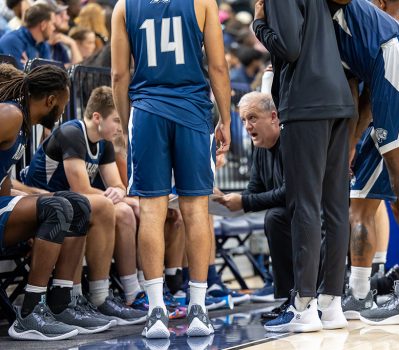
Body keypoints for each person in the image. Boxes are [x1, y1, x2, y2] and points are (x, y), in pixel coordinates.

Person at [111, 0, 231, 338]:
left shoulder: (124, 6)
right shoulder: (204, 2)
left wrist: (125, 122)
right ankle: (197, 309)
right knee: (196, 211)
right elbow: (219, 67)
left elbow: (119, 75)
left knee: (151, 212)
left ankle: (156, 312)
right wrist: (225, 118)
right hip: (192, 110)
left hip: (147, 112)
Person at [330, 0, 399, 325]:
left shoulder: (354, 19)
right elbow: (363, 96)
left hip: (398, 55)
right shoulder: (365, 32)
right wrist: (352, 139)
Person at [253, 0, 355, 333]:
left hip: (306, 103)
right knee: (337, 207)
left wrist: (259, 26)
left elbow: (289, 48)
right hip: (339, 99)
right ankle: (332, 304)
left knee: (305, 206)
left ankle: (304, 307)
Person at [0, 65, 112, 340]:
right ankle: (30, 313)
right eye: (62, 104)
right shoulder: (11, 114)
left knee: (76, 204)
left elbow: (3, 184)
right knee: (58, 206)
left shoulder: (23, 124)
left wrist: (32, 205)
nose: (63, 112)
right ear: (50, 100)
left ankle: (63, 303)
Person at [22, 86, 147, 325]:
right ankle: (85, 296)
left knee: (125, 212)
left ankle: (130, 292)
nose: (121, 128)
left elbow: (118, 186)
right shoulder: (72, 132)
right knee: (106, 206)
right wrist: (113, 194)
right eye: (117, 120)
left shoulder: (104, 142)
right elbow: (80, 189)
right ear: (97, 117)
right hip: (41, 202)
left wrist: (119, 192)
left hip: (71, 202)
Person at [214, 91, 293, 318]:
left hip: (312, 213)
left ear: (273, 117)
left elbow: (290, 192)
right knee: (276, 217)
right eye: (243, 120)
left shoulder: (290, 141)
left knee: (275, 218)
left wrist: (244, 201)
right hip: (286, 214)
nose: (247, 126)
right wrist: (224, 197)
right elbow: (254, 190)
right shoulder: (259, 148)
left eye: (252, 118)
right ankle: (290, 298)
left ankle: (301, 297)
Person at [0, 3, 54, 68]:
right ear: (43, 25)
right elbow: (15, 76)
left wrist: (30, 69)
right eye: (52, 24)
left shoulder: (43, 44)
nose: (54, 28)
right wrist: (33, 70)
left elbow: (50, 73)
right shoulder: (11, 41)